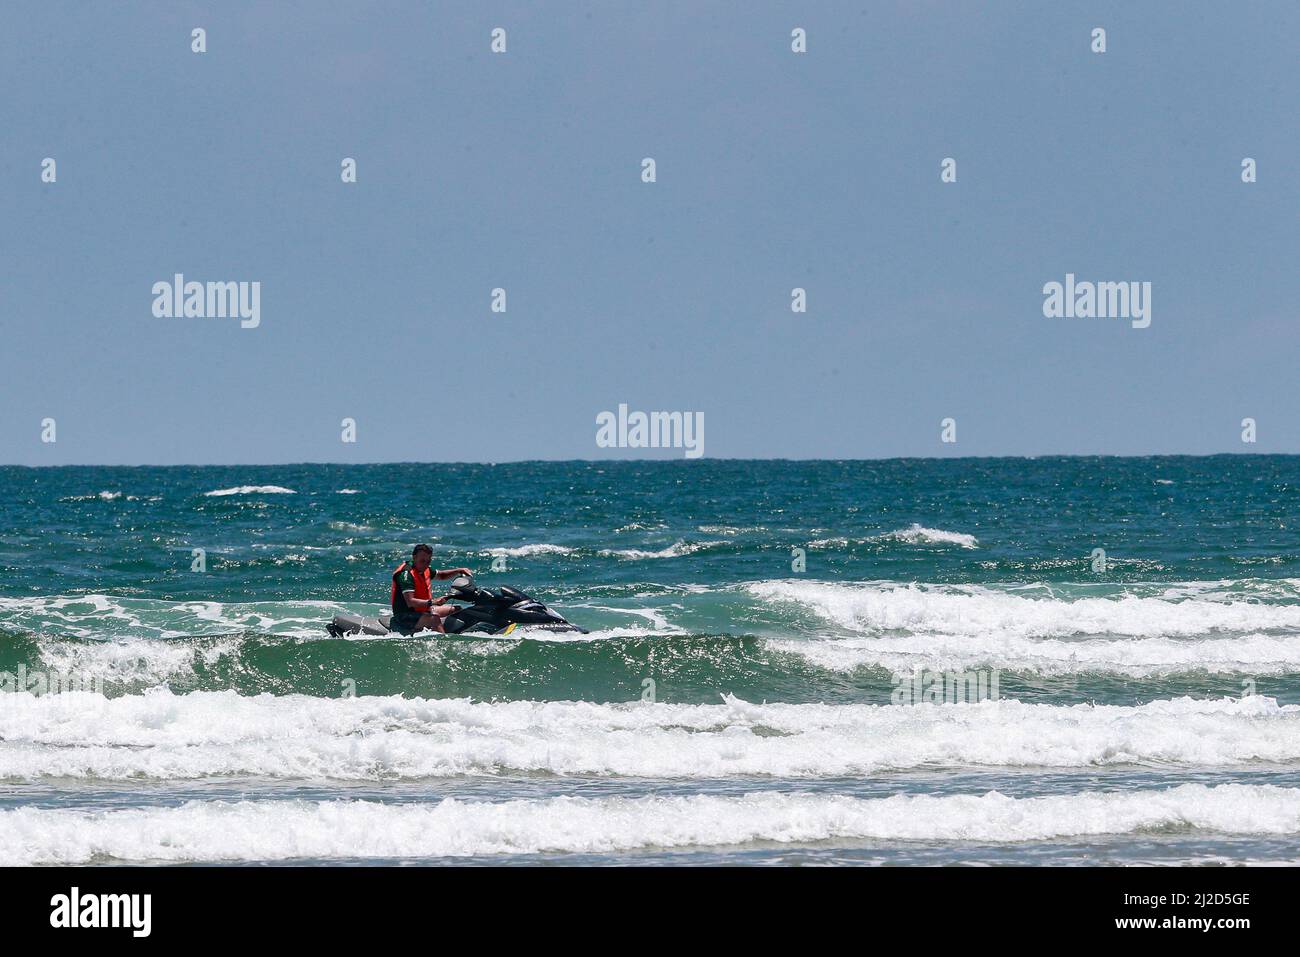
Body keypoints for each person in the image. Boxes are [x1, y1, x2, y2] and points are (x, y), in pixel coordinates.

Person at [390, 545, 472, 635]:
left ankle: (454, 633)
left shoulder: (425, 569)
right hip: (404, 616)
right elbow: (410, 602)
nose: (426, 564)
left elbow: (441, 575)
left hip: (422, 611)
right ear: (414, 557)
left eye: (428, 561)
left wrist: (459, 570)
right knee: (434, 619)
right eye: (423, 561)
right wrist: (433, 602)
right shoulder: (406, 575)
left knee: (457, 609)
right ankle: (445, 644)